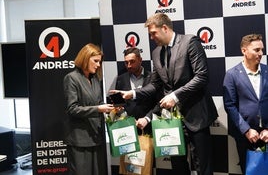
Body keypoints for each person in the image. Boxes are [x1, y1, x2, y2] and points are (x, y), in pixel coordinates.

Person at [111, 13, 218, 175]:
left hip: (197, 116)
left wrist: (175, 96)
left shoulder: (190, 42)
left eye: (153, 33)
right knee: (178, 167)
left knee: (203, 166)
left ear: (165, 28)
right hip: (171, 122)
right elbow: (155, 85)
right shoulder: (156, 53)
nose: (152, 37)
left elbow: (201, 76)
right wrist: (131, 93)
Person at [63, 43, 115, 175]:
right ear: (86, 58)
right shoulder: (72, 78)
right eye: (96, 61)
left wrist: (110, 108)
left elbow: (98, 102)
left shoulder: (95, 79)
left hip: (96, 137)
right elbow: (72, 109)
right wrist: (98, 109)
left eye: (100, 62)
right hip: (80, 140)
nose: (98, 65)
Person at [223, 33, 268, 174]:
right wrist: (246, 130)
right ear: (244, 51)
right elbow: (229, 105)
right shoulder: (232, 74)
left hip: (267, 133)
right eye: (256, 50)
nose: (261, 53)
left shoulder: (267, 71)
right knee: (249, 171)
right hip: (245, 135)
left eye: (262, 50)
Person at [109, 47, 158, 175]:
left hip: (147, 130)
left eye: (132, 61)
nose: (129, 65)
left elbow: (159, 103)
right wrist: (122, 114)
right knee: (128, 168)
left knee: (145, 168)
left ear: (140, 60)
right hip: (126, 132)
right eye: (126, 62)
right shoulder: (120, 79)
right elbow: (115, 104)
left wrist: (147, 119)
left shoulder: (153, 78)